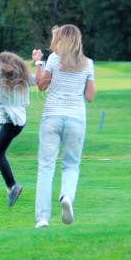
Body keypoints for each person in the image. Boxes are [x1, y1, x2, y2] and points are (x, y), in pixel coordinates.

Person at [32, 24, 96, 228]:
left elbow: (42, 85)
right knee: (71, 164)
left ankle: (42, 218)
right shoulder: (87, 63)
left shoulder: (53, 59)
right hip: (76, 118)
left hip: (52, 116)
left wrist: (37, 63)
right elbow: (90, 96)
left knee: (46, 167)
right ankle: (67, 196)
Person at [0, 51, 37, 207]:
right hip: (12, 119)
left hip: (12, 123)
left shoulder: (3, 79)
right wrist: (39, 63)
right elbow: (38, 80)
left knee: (0, 154)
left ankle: (12, 186)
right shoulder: (22, 78)